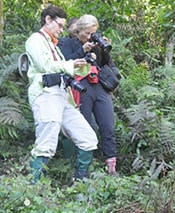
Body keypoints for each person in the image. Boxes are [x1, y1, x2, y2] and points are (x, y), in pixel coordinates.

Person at [25, 5, 98, 183]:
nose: (61, 30)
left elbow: (66, 69)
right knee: (46, 146)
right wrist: (71, 65)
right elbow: (45, 65)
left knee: (88, 138)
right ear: (48, 20)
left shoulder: (54, 46)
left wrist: (83, 63)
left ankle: (79, 183)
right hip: (45, 95)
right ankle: (32, 191)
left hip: (62, 96)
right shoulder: (35, 40)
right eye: (59, 25)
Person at [58, 14, 120, 175]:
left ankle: (111, 166)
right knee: (83, 126)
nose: (89, 37)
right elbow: (63, 62)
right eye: (87, 33)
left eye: (93, 33)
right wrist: (82, 50)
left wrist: (104, 48)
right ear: (79, 30)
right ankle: (81, 168)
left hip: (98, 85)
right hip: (80, 85)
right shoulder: (68, 43)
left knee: (107, 125)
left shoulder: (95, 42)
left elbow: (104, 62)